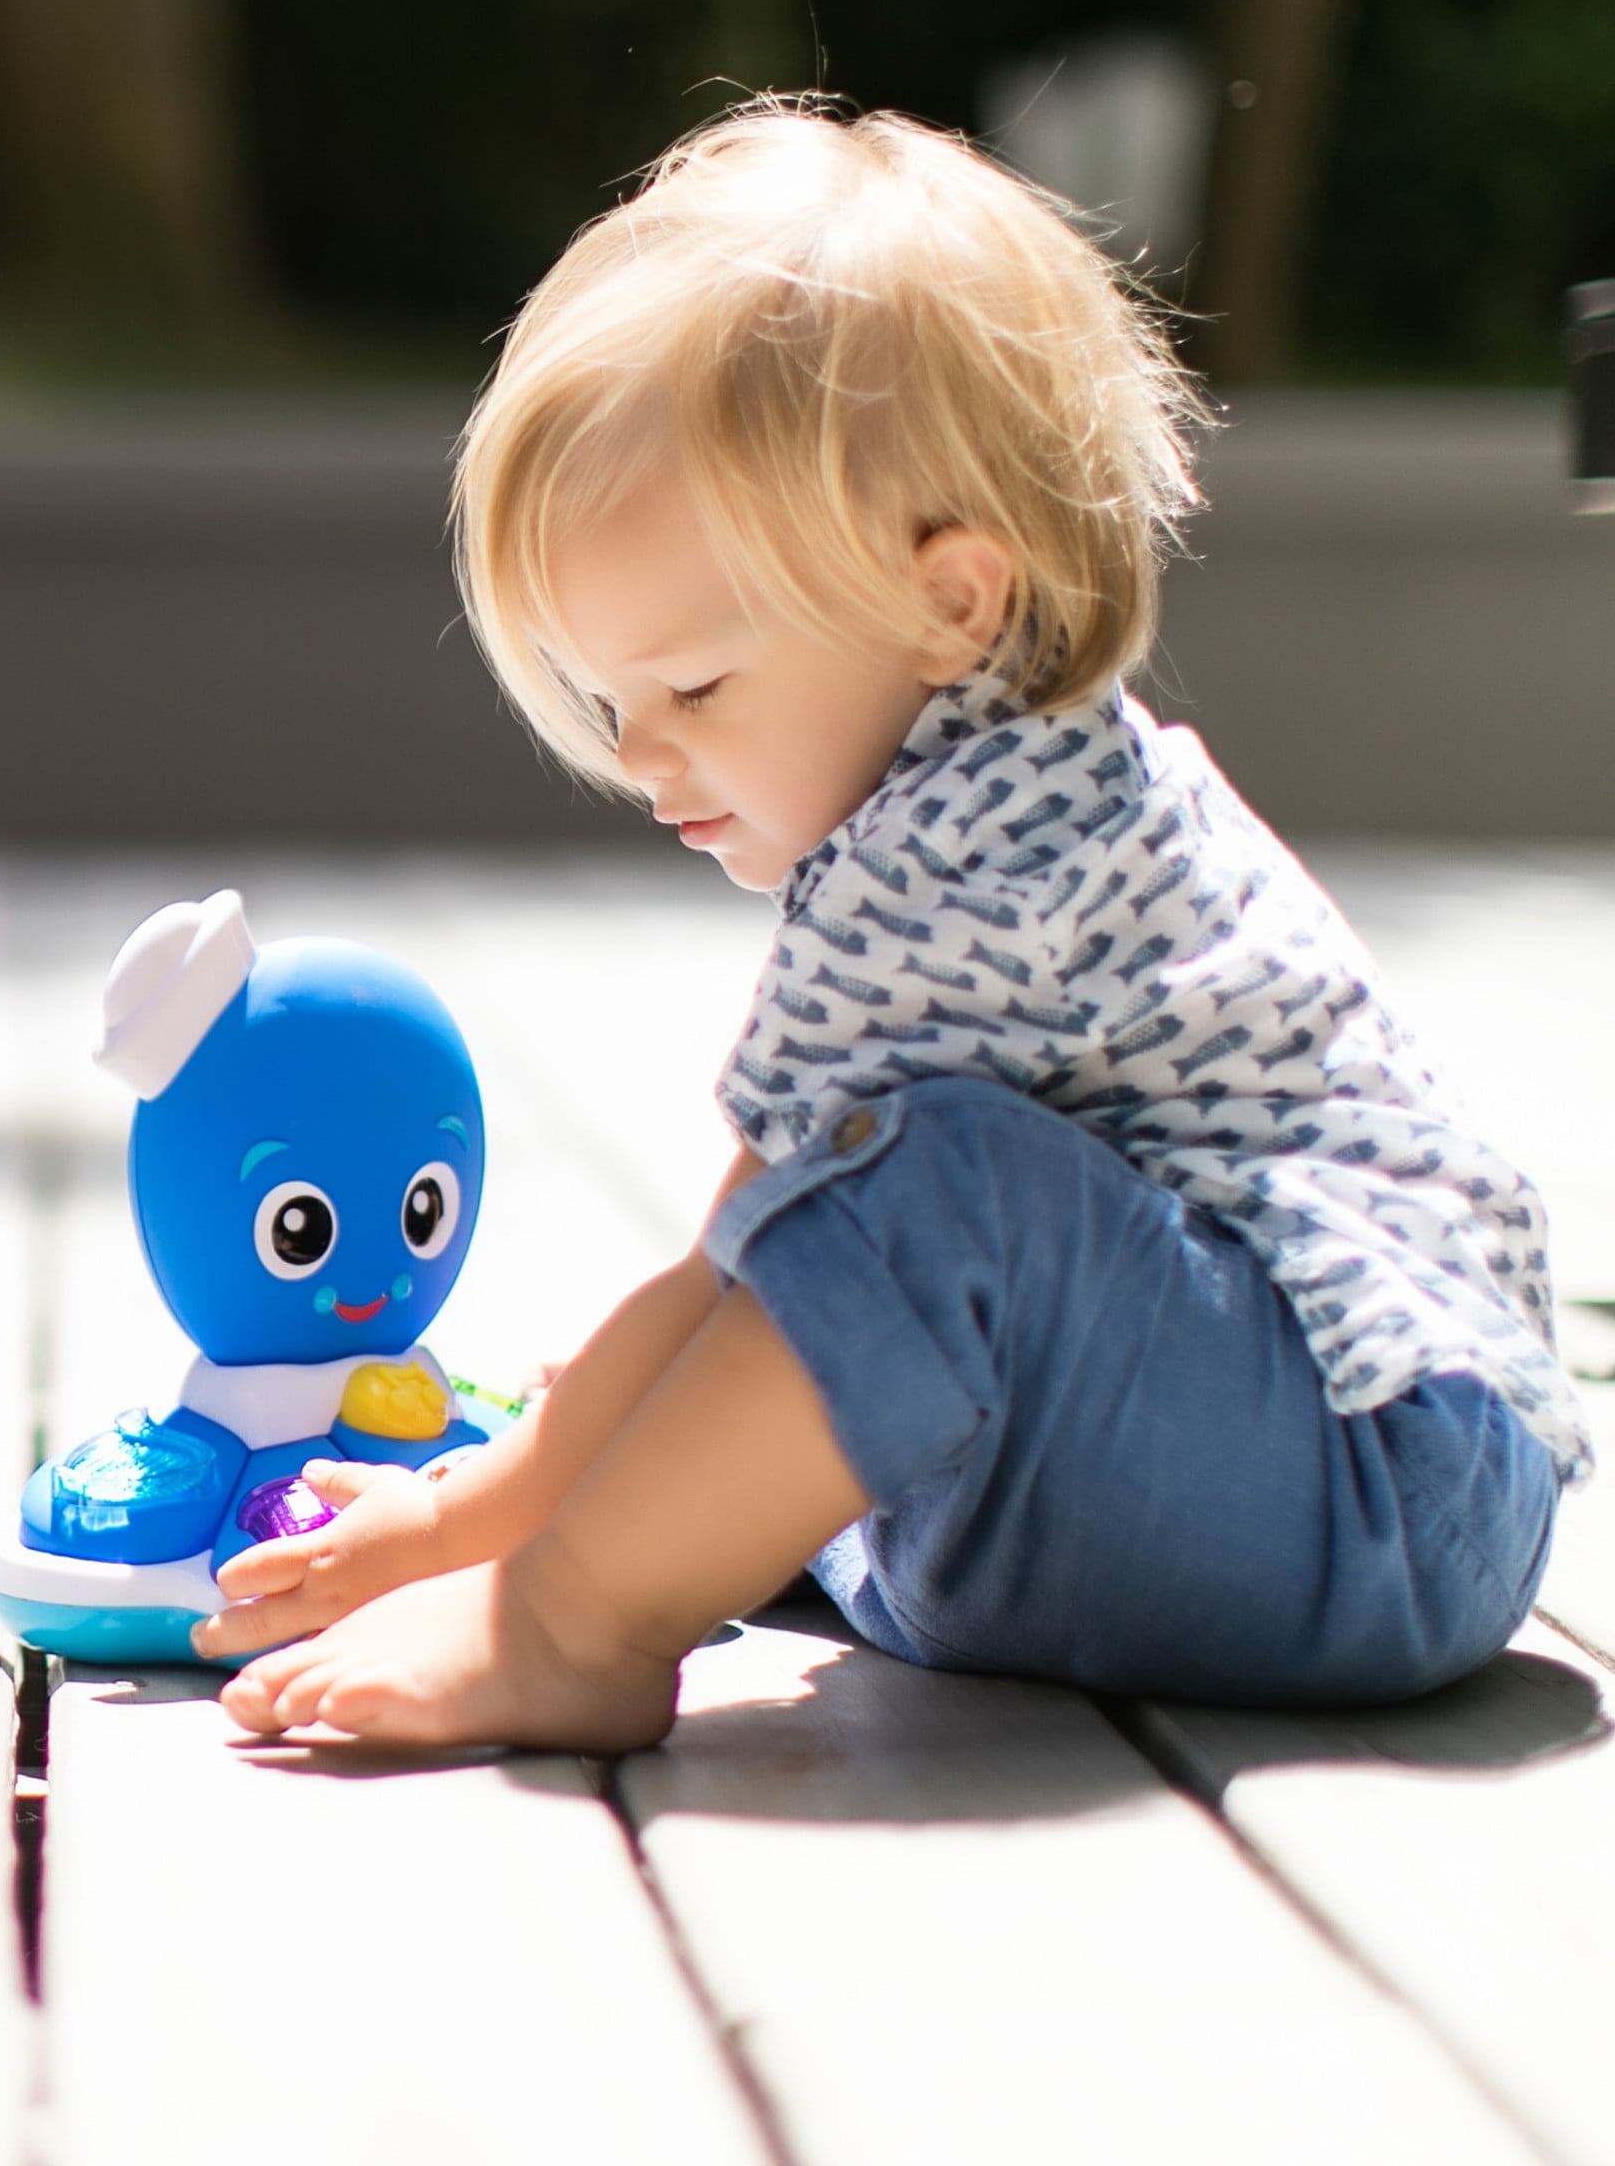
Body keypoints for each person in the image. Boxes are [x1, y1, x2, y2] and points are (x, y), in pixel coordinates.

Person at [199, 100, 1587, 1750]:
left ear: (950, 601)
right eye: (611, 697)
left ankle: (582, 1624)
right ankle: (662, 1537)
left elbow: (748, 1267)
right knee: (865, 1260)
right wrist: (520, 1495)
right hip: (1288, 1472)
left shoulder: (970, 860)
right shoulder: (1004, 772)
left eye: (695, 685)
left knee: (937, 1194)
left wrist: (497, 1544)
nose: (644, 758)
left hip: (1371, 1489)